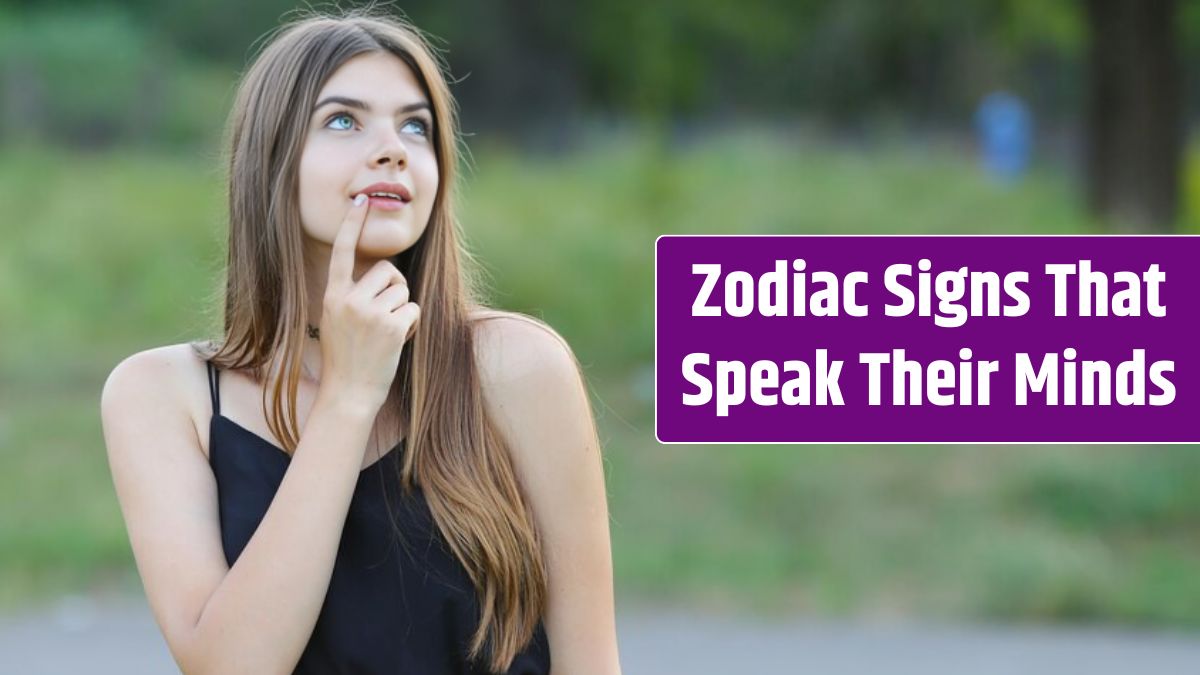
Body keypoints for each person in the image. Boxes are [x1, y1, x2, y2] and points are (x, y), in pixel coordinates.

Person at [99, 8, 620, 674]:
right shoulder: (160, 395)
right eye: (342, 120)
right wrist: (347, 397)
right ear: (271, 158)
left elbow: (592, 664)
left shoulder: (518, 368)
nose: (393, 148)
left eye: (415, 126)